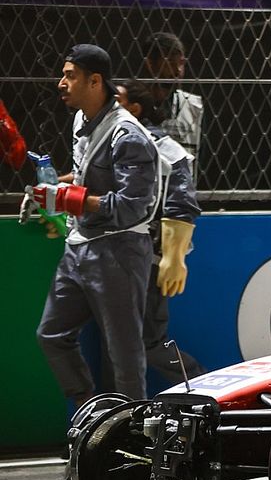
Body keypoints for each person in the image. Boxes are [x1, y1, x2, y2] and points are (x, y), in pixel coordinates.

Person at [20, 44, 159, 404]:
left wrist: (65, 199)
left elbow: (134, 207)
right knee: (50, 335)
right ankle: (88, 415)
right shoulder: (82, 119)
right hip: (80, 246)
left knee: (124, 355)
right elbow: (84, 177)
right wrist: (49, 189)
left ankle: (133, 441)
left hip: (119, 250)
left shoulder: (127, 135)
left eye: (70, 75)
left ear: (95, 81)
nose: (60, 83)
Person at [117, 78, 206, 385]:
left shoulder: (158, 145)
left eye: (117, 100)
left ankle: (201, 390)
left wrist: (172, 255)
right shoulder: (113, 141)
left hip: (150, 257)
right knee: (122, 340)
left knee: (149, 341)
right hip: (122, 255)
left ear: (135, 108)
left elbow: (182, 201)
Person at [143, 32, 202, 181]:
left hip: (181, 194)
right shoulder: (130, 104)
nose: (178, 70)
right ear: (150, 63)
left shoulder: (194, 106)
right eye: (169, 62)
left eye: (181, 63)